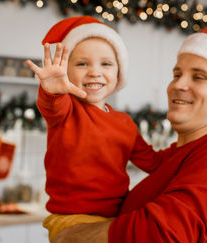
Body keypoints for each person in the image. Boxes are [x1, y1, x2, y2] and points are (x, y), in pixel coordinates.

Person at [52, 11, 207, 243]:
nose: (178, 84)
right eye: (177, 74)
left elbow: (162, 234)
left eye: (199, 77)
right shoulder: (180, 156)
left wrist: (71, 236)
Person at [25, 16, 170, 242]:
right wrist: (51, 91)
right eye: (82, 64)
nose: (94, 72)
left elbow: (155, 163)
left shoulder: (125, 123)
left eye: (106, 64)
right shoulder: (66, 110)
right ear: (66, 71)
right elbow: (51, 106)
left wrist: (193, 149)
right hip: (72, 219)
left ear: (119, 73)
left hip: (115, 216)